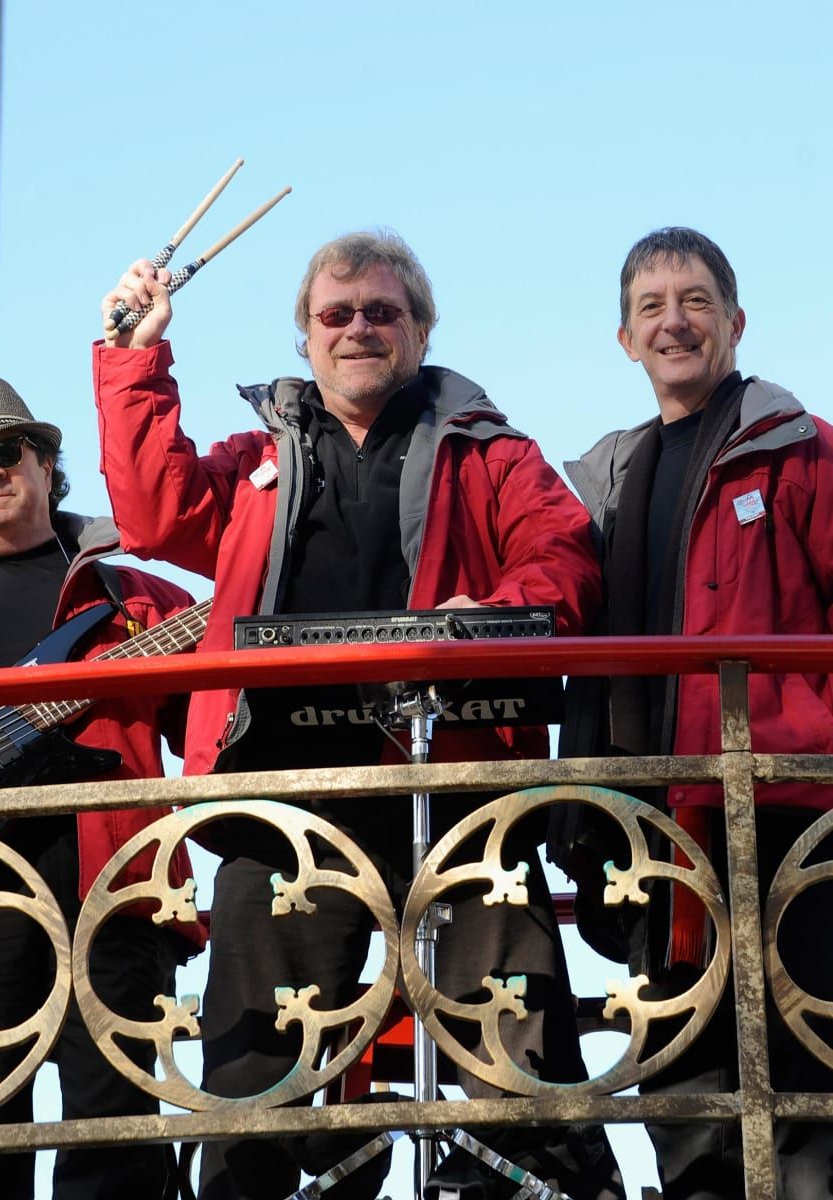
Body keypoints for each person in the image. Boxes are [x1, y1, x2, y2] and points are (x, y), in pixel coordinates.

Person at [94, 231, 624, 1200]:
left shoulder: (490, 453)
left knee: (517, 1012)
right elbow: (156, 511)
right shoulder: (262, 458)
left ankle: (543, 1180)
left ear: (422, 328)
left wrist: (494, 616)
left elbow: (566, 554)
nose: (358, 329)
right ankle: (249, 1186)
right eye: (335, 315)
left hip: (452, 770)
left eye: (382, 312)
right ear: (305, 339)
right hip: (291, 786)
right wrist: (135, 358)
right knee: (255, 1030)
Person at [0, 370, 199, 1200]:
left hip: (111, 890)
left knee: (115, 1141)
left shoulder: (130, 594)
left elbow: (215, 725)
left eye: (4, 449)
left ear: (47, 462)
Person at [557, 226, 833, 1199]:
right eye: (651, 307)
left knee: (808, 1093)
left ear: (737, 322)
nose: (675, 321)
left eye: (697, 300)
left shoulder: (801, 454)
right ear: (625, 341)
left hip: (790, 817)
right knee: (683, 1090)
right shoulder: (599, 485)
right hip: (650, 829)